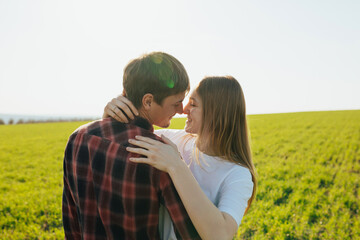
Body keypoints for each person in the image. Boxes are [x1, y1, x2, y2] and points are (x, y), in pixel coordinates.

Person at [62, 52, 200, 240]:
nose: (180, 110)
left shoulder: (78, 137)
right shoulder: (156, 154)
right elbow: (190, 232)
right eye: (176, 103)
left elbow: (71, 217)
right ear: (148, 101)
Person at [104, 76, 257, 240]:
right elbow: (121, 142)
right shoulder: (172, 139)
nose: (183, 109)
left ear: (216, 112)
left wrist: (176, 165)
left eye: (193, 104)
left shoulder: (238, 175)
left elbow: (220, 235)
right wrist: (110, 117)